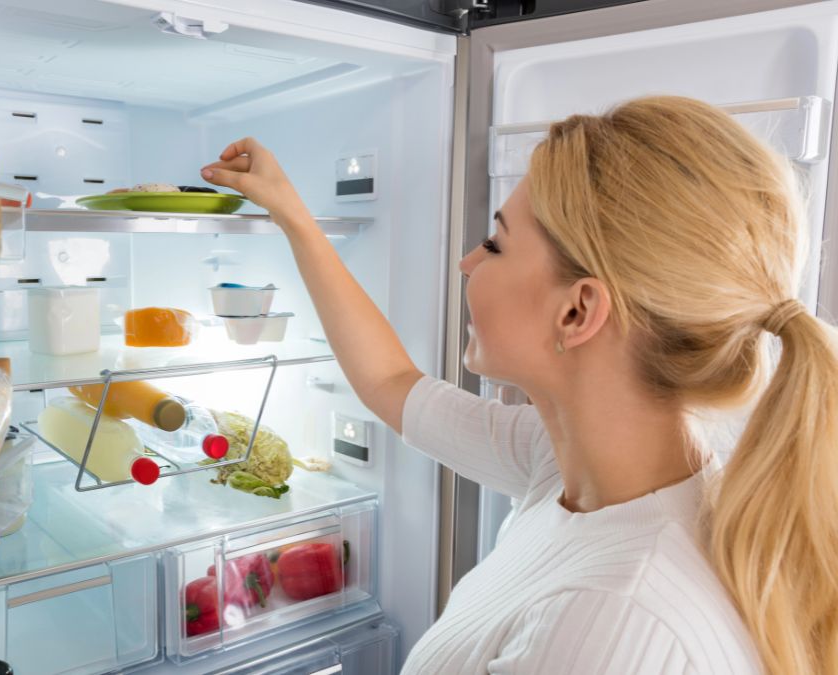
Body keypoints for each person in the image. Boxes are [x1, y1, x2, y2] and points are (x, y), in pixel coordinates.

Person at [200, 96, 838, 674]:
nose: (466, 262)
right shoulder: (567, 464)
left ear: (577, 312)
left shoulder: (611, 624)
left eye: (494, 244)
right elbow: (391, 383)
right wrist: (293, 215)